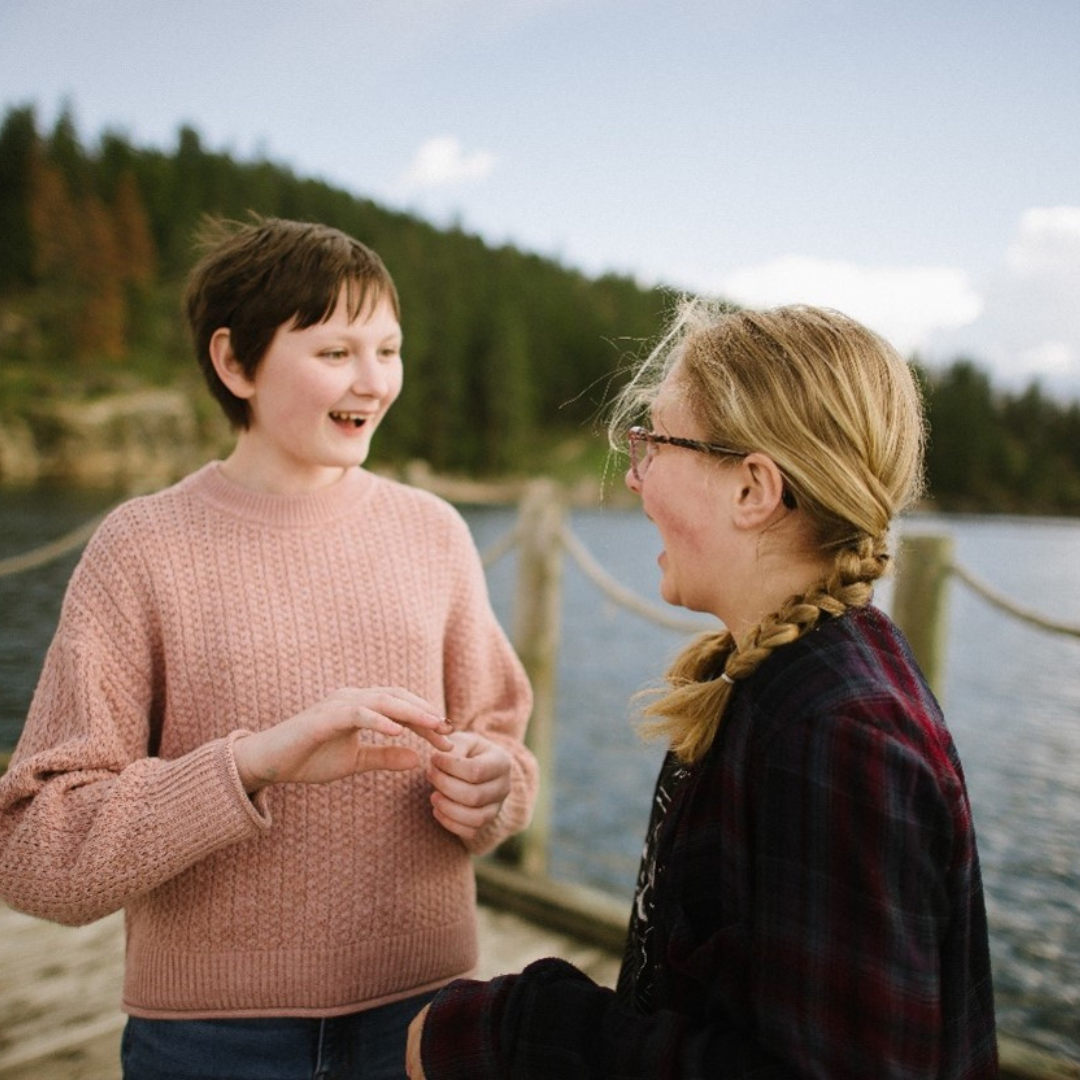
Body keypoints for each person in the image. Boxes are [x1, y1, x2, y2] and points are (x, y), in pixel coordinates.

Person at [0, 215, 538, 1080]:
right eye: (335, 352)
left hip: (428, 1022)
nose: (374, 380)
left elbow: (505, 753)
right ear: (235, 363)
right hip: (212, 1043)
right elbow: (36, 855)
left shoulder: (434, 533)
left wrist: (495, 790)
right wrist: (248, 765)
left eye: (389, 349)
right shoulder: (141, 547)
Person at [405, 300, 998, 1078]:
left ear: (754, 488)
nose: (635, 475)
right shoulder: (777, 679)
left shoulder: (838, 731)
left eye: (654, 442)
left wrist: (518, 1030)